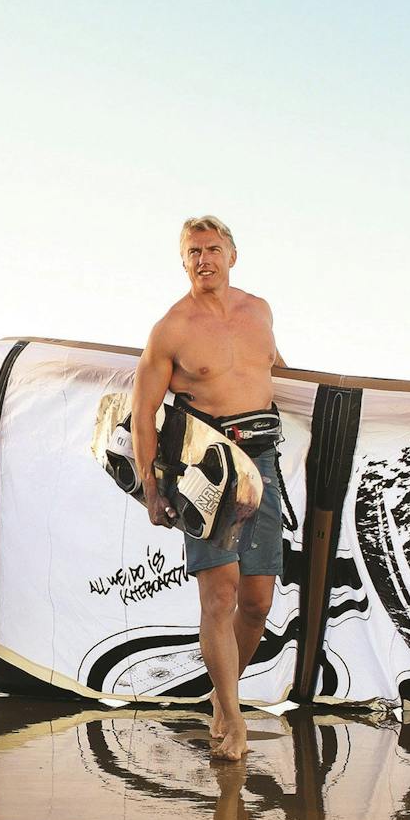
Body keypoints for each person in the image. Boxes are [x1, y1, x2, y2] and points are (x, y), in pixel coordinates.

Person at [132, 216, 287, 761]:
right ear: (183, 261)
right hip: (204, 463)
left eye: (213, 249)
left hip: (262, 460)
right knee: (219, 595)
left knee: (258, 602)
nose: (204, 259)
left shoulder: (260, 312)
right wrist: (151, 487)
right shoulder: (170, 329)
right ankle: (234, 718)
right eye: (193, 251)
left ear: (232, 255)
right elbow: (143, 413)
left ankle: (223, 701)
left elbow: (275, 373)